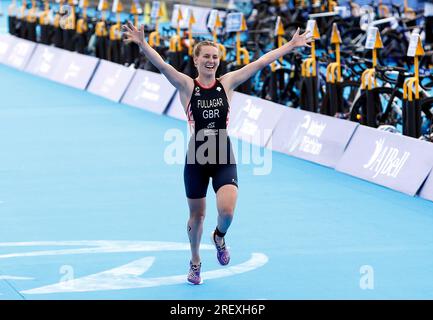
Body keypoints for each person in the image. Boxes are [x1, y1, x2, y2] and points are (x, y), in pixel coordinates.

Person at [122, 21, 312, 285]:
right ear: (197, 60)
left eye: (215, 57)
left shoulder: (227, 83)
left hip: (223, 155)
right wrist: (143, 44)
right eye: (206, 57)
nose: (211, 61)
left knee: (227, 212)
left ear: (219, 61)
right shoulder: (188, 86)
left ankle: (220, 237)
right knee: (197, 216)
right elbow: (163, 66)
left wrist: (290, 46)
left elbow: (259, 63)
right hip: (197, 159)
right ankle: (195, 261)